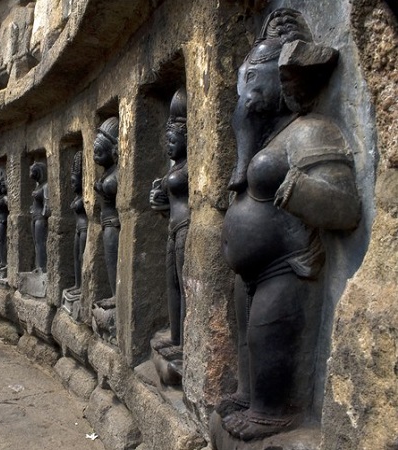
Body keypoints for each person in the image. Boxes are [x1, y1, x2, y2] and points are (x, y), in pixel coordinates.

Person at [217, 8, 361, 441]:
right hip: (252, 272)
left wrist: (292, 184)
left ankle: (273, 410)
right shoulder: (263, 138)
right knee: (249, 342)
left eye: (254, 78)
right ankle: (251, 395)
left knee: (268, 336)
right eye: (244, 77)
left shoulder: (310, 131)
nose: (245, 90)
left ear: (283, 81)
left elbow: (345, 209)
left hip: (288, 268)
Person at [149, 89, 190, 362]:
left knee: (185, 286)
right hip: (172, 228)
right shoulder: (176, 167)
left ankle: (187, 342)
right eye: (167, 140)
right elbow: (167, 203)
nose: (169, 146)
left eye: (173, 140)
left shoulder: (191, 165)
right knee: (172, 284)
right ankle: (176, 337)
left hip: (186, 227)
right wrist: (157, 200)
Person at [93, 117, 120, 299]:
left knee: (113, 261)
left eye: (99, 153)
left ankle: (116, 296)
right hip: (106, 223)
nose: (95, 158)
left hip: (113, 224)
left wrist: (102, 187)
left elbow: (112, 187)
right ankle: (113, 295)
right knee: (109, 260)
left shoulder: (116, 172)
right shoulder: (108, 172)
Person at [67, 151, 87, 296]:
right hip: (78, 229)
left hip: (85, 228)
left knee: (82, 256)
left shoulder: (85, 197)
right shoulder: (77, 197)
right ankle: (77, 284)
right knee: (75, 256)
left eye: (74, 182)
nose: (72, 185)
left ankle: (83, 287)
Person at [29, 162, 50, 272]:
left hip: (40, 219)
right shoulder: (38, 185)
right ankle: (38, 265)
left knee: (41, 242)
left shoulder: (46, 186)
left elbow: (47, 204)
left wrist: (44, 214)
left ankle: (42, 267)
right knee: (36, 243)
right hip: (34, 216)